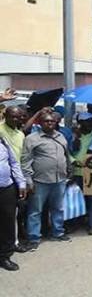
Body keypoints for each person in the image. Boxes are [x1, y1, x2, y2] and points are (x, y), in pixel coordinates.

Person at [22, 113, 71, 251]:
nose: (49, 124)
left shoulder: (60, 136)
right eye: (46, 121)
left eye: (52, 121)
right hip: (39, 181)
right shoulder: (32, 139)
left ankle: (57, 232)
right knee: (35, 211)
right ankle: (33, 238)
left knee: (58, 208)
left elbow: (66, 155)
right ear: (40, 122)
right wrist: (28, 180)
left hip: (59, 179)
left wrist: (69, 168)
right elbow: (25, 161)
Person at [0, 106, 28, 250]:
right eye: (13, 116)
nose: (16, 119)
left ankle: (10, 247)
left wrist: (21, 182)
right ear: (5, 116)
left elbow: (15, 162)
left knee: (11, 217)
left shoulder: (17, 135)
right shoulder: (1, 129)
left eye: (18, 117)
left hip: (9, 182)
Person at [0, 135, 26, 271]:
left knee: (7, 222)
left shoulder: (3, 141)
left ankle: (4, 256)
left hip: (6, 188)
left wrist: (21, 183)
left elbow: (14, 163)